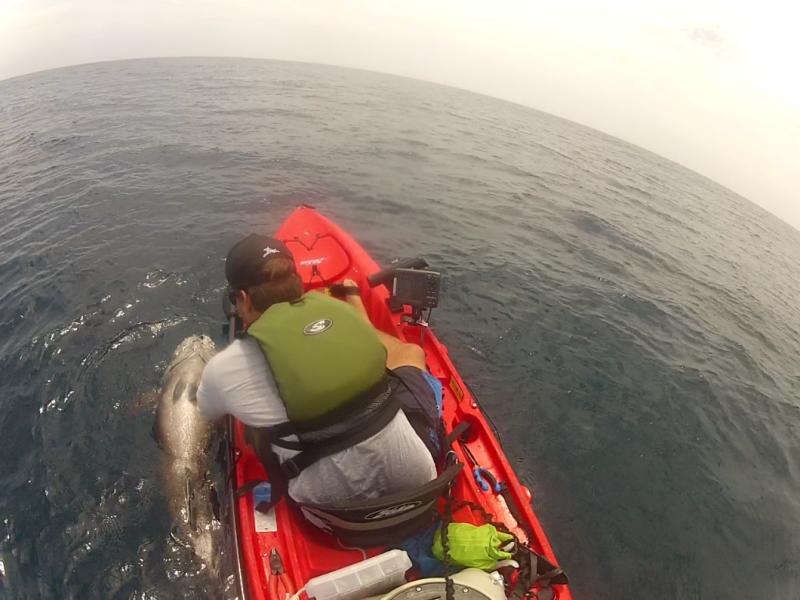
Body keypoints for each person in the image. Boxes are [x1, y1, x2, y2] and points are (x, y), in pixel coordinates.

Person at [197, 234, 443, 509]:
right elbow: (374, 347)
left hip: (330, 510)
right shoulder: (341, 311)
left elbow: (206, 413)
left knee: (252, 429)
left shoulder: (226, 366)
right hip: (419, 478)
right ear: (298, 283)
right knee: (409, 354)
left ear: (242, 298)